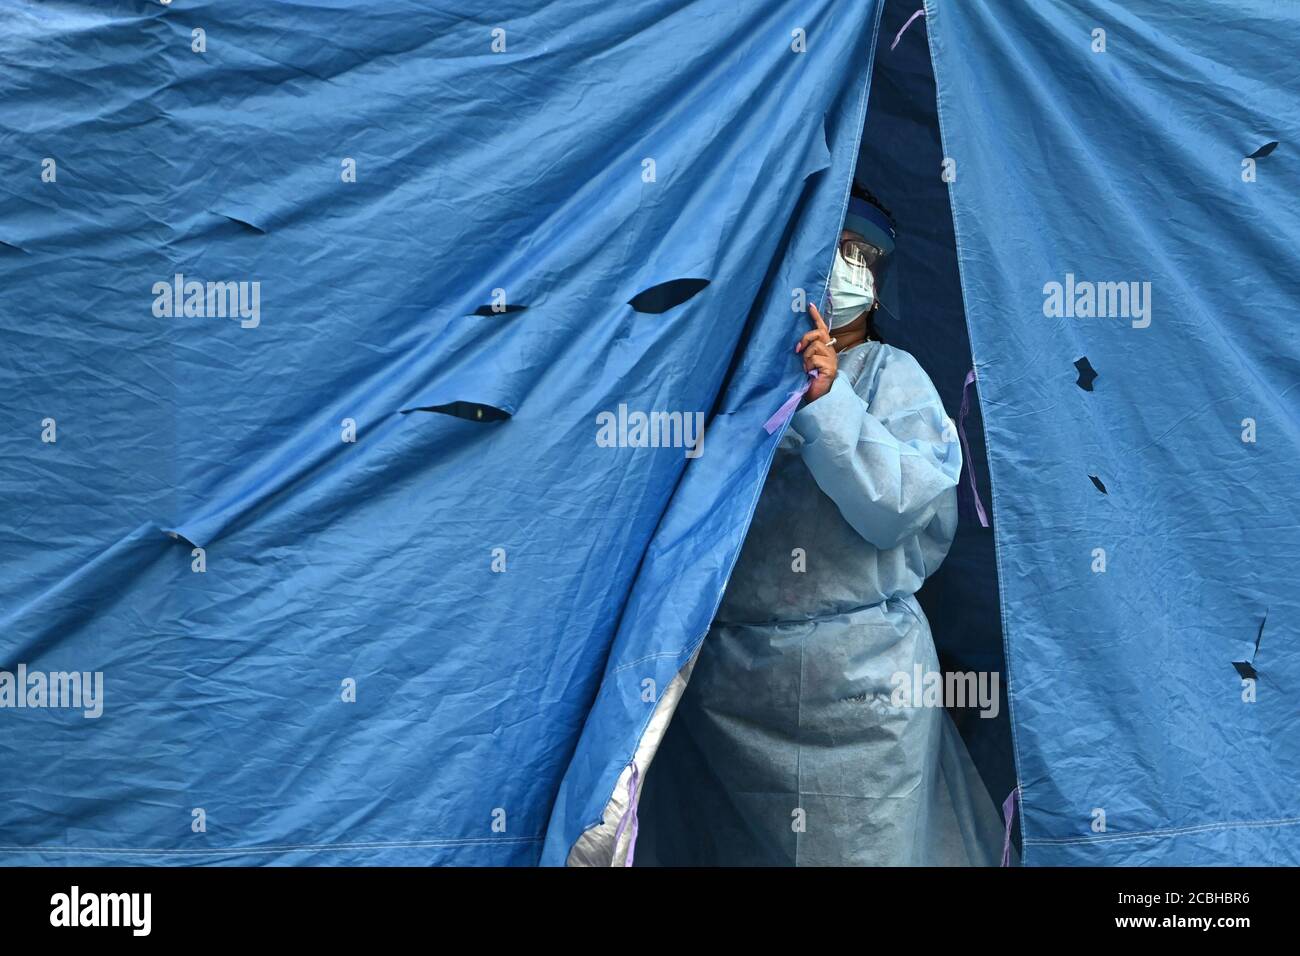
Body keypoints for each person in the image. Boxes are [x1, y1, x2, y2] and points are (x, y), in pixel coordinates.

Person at [643, 186, 1006, 866]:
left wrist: (829, 402)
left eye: (863, 255)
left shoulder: (894, 378)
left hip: (864, 687)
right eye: (835, 249)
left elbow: (893, 508)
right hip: (735, 691)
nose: (847, 268)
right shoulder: (738, 379)